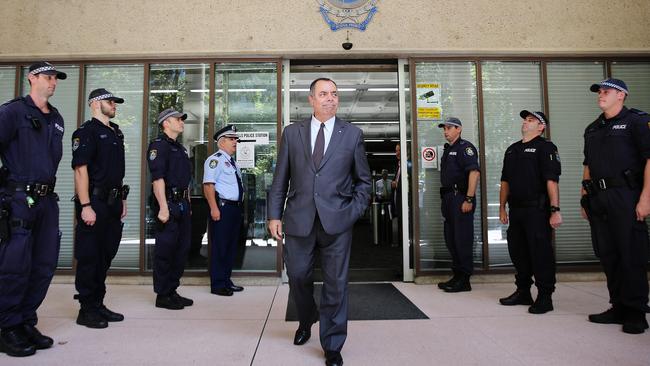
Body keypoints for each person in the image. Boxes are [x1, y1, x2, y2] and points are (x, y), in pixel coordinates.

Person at [267, 78, 371, 366]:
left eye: (334, 94)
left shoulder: (352, 134)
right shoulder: (292, 133)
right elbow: (280, 179)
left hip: (338, 223)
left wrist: (352, 212)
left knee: (336, 284)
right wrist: (274, 214)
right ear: (311, 99)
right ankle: (306, 318)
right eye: (323, 94)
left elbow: (364, 181)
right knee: (299, 276)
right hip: (299, 220)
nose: (330, 99)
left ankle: (333, 344)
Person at [0, 62, 66, 357]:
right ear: (32, 78)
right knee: (15, 266)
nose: (53, 82)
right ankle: (6, 326)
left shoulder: (57, 119)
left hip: (46, 201)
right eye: (48, 77)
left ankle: (26, 320)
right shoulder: (13, 112)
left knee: (43, 264)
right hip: (18, 199)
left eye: (55, 79)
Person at [582, 78, 650, 334]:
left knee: (631, 252)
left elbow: (649, 160)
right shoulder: (593, 128)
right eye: (599, 91)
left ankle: (636, 311)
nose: (601, 94)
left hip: (626, 194)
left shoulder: (637, 121)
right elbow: (587, 164)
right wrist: (584, 196)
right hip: (598, 197)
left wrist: (646, 198)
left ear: (622, 95)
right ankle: (618, 305)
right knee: (608, 253)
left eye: (606, 91)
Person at [72, 88, 129, 329]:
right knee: (90, 256)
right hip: (93, 202)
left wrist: (122, 200)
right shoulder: (86, 132)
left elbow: (116, 173)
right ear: (95, 104)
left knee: (105, 254)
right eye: (110, 101)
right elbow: (80, 170)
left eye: (115, 101)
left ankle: (98, 303)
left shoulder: (115, 132)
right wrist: (85, 205)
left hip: (113, 203)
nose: (114, 105)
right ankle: (86, 309)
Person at [498, 110, 562, 314]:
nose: (526, 122)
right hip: (516, 210)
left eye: (531, 120)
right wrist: (502, 207)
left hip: (537, 210)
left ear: (541, 127)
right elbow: (505, 182)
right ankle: (523, 291)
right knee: (518, 253)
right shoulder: (512, 150)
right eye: (525, 120)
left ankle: (545, 296)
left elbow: (551, 180)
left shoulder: (546, 148)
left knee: (540, 254)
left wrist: (555, 210)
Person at [147, 108, 193, 310]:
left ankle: (172, 289)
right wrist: (163, 208)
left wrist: (188, 203)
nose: (182, 122)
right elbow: (157, 179)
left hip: (182, 203)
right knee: (165, 250)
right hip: (168, 203)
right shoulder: (159, 146)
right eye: (178, 119)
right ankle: (162, 294)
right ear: (166, 123)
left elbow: (185, 181)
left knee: (181, 250)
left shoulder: (180, 148)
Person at [437, 117, 480, 292]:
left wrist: (468, 199)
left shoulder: (465, 148)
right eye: (444, 128)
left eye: (449, 128)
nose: (446, 131)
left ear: (459, 129)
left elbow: (474, 173)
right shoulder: (449, 150)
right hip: (448, 198)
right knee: (451, 238)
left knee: (462, 239)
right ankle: (457, 276)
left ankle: (465, 279)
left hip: (460, 197)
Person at [203, 125, 245, 297]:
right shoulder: (215, 160)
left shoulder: (231, 161)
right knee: (220, 246)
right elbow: (208, 186)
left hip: (234, 209)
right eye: (232, 139)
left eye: (236, 139)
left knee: (230, 247)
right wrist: (214, 208)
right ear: (221, 142)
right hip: (222, 208)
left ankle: (226, 280)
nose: (236, 142)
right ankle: (218, 284)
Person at [375, 169, 393, 244]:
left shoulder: (391, 182)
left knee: (389, 219)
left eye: (386, 174)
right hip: (381, 202)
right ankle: (382, 236)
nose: (384, 175)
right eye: (383, 174)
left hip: (389, 202)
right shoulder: (377, 182)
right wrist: (380, 194)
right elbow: (376, 191)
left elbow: (393, 191)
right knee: (381, 219)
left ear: (387, 174)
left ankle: (389, 236)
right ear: (381, 175)